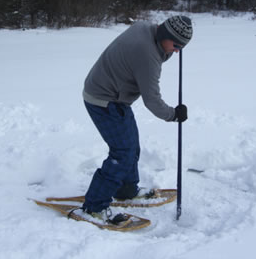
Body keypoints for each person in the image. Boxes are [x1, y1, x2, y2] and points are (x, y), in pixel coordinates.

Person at [81, 15, 193, 217]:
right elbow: (151, 100)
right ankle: (94, 206)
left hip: (113, 94)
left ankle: (126, 190)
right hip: (104, 99)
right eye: (176, 45)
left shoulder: (147, 29)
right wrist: (174, 115)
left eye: (181, 48)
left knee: (131, 147)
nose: (177, 51)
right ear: (165, 35)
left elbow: (160, 51)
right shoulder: (147, 55)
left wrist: (172, 47)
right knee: (123, 153)